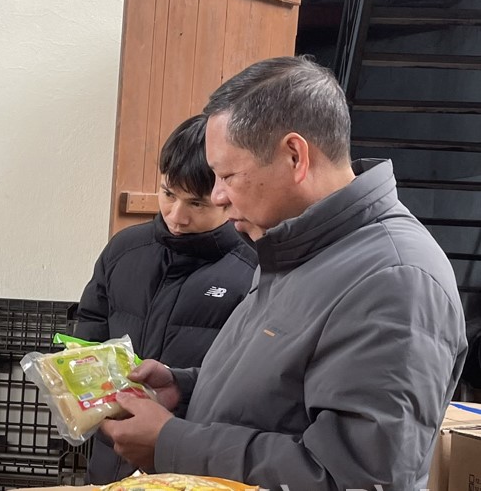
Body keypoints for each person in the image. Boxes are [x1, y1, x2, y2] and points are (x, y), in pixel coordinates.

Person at [101, 56, 468, 490]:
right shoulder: (294, 247)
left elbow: (355, 477)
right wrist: (184, 390)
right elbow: (282, 396)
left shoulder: (395, 279)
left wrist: (172, 442)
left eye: (228, 175)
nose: (217, 196)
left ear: (295, 155)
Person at [74, 114, 257, 484]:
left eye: (196, 204)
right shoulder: (125, 249)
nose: (177, 216)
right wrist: (88, 404)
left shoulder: (253, 267)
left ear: (225, 198)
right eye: (168, 194)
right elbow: (87, 334)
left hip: (196, 464)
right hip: (112, 455)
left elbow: (249, 384)